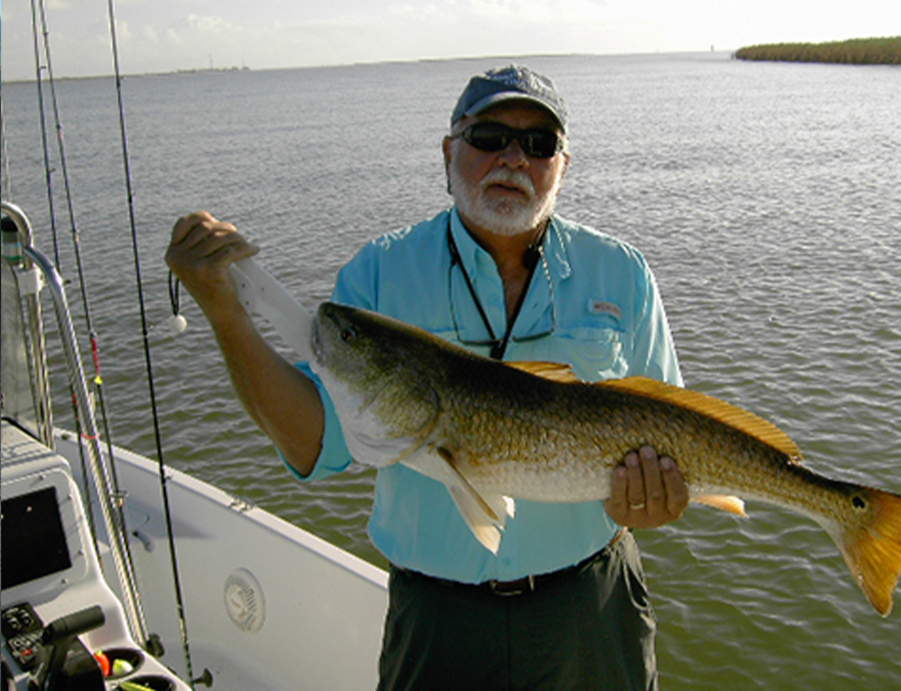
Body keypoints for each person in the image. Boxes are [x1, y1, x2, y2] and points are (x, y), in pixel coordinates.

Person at [167, 64, 688, 691]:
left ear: (563, 166)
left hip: (591, 605)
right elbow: (315, 443)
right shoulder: (380, 274)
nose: (513, 159)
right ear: (449, 153)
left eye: (538, 144)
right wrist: (226, 312)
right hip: (439, 619)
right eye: (489, 136)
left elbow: (677, 437)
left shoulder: (621, 274)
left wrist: (661, 500)